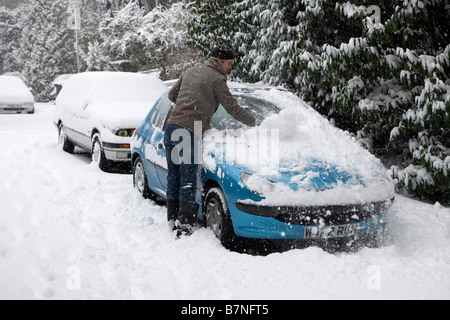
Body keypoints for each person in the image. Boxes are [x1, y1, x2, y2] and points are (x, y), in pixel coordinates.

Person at [165, 44, 257, 237]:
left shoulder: (191, 70)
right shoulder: (217, 79)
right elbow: (233, 109)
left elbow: (172, 95)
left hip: (172, 127)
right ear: (220, 62)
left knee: (174, 177)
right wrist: (255, 123)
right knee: (188, 180)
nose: (230, 68)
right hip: (189, 131)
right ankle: (185, 227)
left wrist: (189, 105)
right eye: (229, 64)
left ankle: (172, 220)